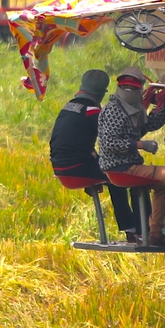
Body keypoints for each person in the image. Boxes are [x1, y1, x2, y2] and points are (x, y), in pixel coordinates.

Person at [97, 65, 165, 247]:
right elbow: (109, 143)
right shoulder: (114, 110)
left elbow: (150, 124)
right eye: (127, 88)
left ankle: (155, 233)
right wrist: (140, 145)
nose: (130, 91)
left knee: (163, 186)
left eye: (133, 88)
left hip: (126, 165)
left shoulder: (130, 108)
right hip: (121, 167)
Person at [48, 68, 136, 241]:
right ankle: (134, 230)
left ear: (82, 87)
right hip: (77, 168)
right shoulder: (93, 112)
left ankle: (130, 228)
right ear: (102, 93)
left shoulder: (69, 107)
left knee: (110, 170)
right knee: (122, 173)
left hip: (60, 167)